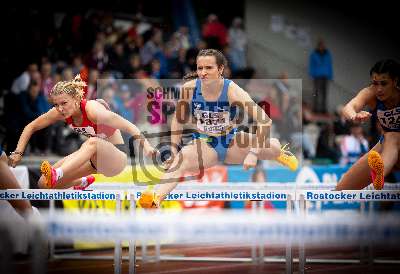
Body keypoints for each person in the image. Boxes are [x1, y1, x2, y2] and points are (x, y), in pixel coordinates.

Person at [139, 49, 298, 208]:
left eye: (209, 68)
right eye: (200, 68)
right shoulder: (189, 89)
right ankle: (155, 198)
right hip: (204, 143)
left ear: (220, 69)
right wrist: (173, 150)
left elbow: (265, 121)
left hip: (232, 141)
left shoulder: (232, 90)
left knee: (274, 148)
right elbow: (178, 120)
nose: (203, 73)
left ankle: (279, 152)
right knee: (181, 160)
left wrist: (253, 153)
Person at [8, 75, 157, 190]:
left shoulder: (93, 110)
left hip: (116, 157)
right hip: (94, 161)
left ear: (76, 99)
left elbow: (129, 126)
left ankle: (58, 173)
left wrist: (147, 147)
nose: (60, 109)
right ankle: (82, 182)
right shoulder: (60, 112)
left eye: (64, 103)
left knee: (92, 142)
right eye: (56, 104)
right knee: (43, 184)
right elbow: (31, 126)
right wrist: (18, 152)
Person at [336, 59, 400, 190]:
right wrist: (354, 116)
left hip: (393, 142)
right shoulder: (371, 93)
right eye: (375, 83)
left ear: (395, 81)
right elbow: (349, 107)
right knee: (341, 190)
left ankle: (380, 172)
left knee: (393, 136)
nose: (379, 89)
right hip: (386, 148)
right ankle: (379, 172)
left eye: (384, 83)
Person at [308, 39, 333, 113]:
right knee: (316, 93)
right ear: (318, 46)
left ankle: (323, 109)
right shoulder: (314, 54)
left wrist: (330, 75)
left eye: (323, 45)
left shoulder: (327, 54)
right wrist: (311, 74)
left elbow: (329, 66)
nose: (321, 47)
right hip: (317, 76)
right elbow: (311, 65)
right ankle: (315, 108)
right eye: (320, 45)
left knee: (324, 93)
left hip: (325, 76)